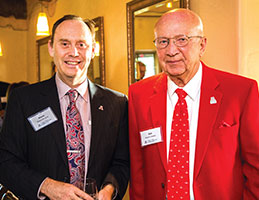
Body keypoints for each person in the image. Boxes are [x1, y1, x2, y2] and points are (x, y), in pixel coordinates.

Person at [128, 9, 259, 200]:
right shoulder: (139, 94)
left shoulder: (240, 92)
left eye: (182, 40)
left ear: (202, 45)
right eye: (163, 41)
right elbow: (138, 170)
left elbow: (256, 167)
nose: (171, 51)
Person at [0, 15, 129, 200]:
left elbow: (122, 162)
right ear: (51, 48)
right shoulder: (23, 100)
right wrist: (46, 186)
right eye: (65, 44)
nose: (74, 52)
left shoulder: (116, 103)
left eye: (81, 44)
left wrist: (109, 189)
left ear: (93, 50)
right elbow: (6, 160)